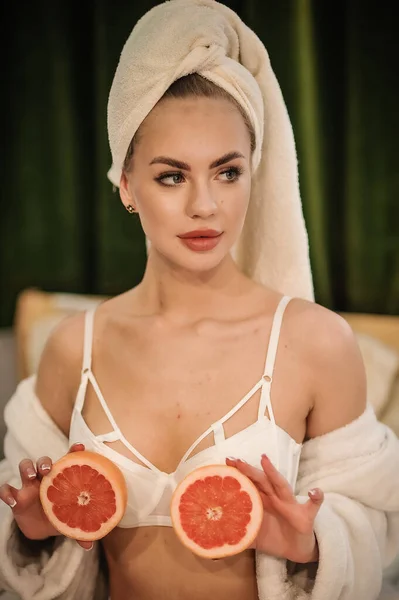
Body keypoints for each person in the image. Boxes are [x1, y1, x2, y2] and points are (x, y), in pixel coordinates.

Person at [0, 2, 398, 600]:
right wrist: (32, 531)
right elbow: (23, 545)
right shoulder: (72, 349)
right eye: (171, 176)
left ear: (253, 174)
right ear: (127, 186)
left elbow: (378, 527)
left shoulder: (317, 342)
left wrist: (312, 546)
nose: (205, 205)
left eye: (228, 172)